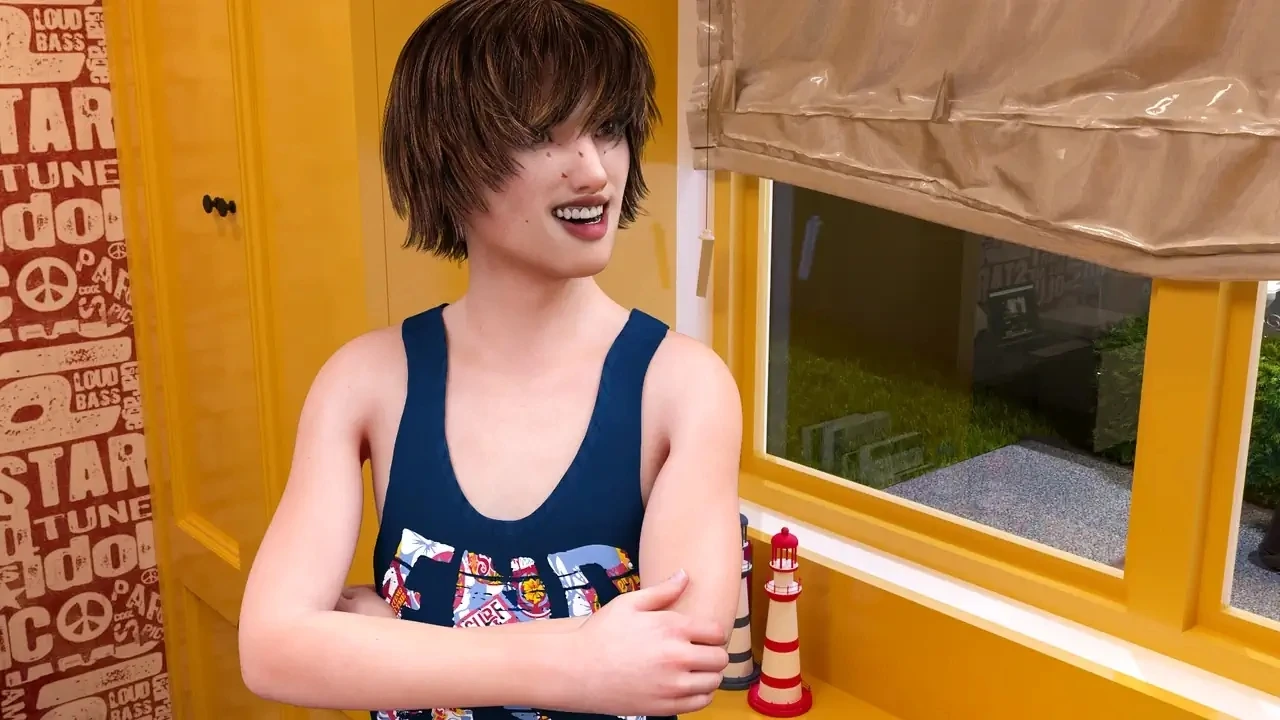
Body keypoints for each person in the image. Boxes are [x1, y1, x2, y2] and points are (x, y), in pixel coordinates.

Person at [237, 1, 744, 718]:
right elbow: (271, 650)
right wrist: (579, 658)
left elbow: (679, 660)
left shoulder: (683, 387)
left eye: (606, 128)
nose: (594, 171)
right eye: (541, 134)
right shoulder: (365, 381)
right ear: (448, 159)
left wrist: (399, 641)